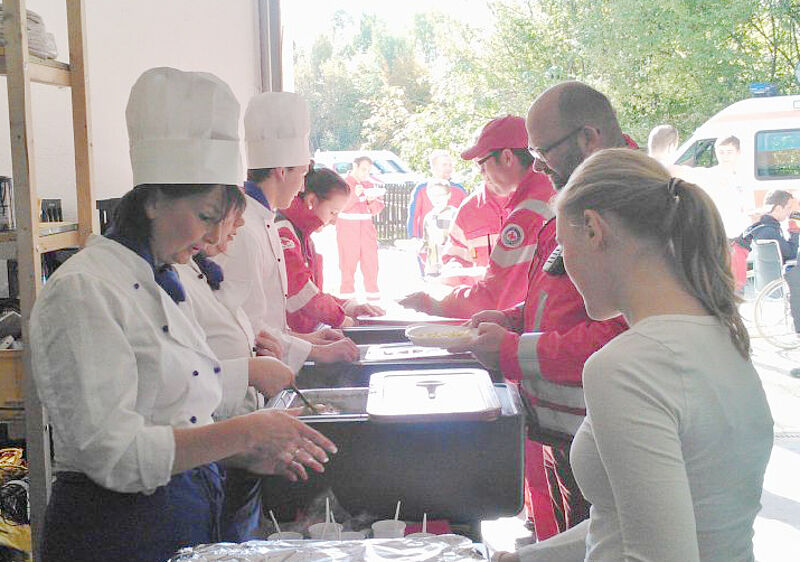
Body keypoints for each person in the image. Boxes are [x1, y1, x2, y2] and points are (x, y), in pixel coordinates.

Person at [30, 67, 336, 562]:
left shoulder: (166, 280)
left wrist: (247, 452)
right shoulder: (84, 290)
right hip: (115, 536)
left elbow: (177, 410)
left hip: (183, 519)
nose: (212, 238)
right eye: (205, 216)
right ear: (152, 201)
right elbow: (113, 454)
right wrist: (246, 431)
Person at [493, 148, 773, 562]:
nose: (566, 270)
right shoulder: (726, 336)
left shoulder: (625, 367)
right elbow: (628, 521)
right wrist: (527, 558)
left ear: (593, 229)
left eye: (564, 250)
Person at [453, 83, 632, 539]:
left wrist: (512, 350)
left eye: (542, 151)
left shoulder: (628, 206)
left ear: (588, 137)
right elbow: (560, 295)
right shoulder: (582, 196)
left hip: (602, 435)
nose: (536, 165)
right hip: (566, 432)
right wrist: (512, 318)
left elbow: (617, 337)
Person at [214, 92, 360, 373]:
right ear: (282, 171)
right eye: (302, 175)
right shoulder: (243, 231)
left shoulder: (265, 220)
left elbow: (270, 324)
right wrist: (316, 350)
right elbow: (248, 328)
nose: (302, 187)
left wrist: (309, 340)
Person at [175, 187, 291, 542]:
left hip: (230, 450)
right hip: (204, 455)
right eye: (227, 218)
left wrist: (259, 354)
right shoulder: (166, 278)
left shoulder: (197, 270)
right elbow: (175, 380)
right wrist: (250, 371)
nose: (235, 228)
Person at [399, 115, 555, 319]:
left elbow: (493, 298)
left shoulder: (528, 213)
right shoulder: (553, 195)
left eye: (482, 165)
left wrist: (431, 303)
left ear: (507, 158)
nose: (482, 174)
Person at [277, 167, 385, 333]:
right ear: (311, 201)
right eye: (333, 212)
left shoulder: (302, 235)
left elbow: (314, 293)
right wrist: (341, 319)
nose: (334, 221)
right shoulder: (284, 233)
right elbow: (300, 293)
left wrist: (348, 307)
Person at [439, 177, 510, 286]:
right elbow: (455, 256)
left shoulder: (533, 203)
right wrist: (455, 271)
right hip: (483, 293)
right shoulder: (468, 210)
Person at [335, 155, 385, 300]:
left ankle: (373, 296)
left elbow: (377, 209)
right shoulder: (342, 184)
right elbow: (340, 207)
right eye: (364, 169)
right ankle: (347, 298)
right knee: (347, 264)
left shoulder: (369, 185)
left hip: (367, 230)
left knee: (371, 263)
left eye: (369, 170)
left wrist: (371, 201)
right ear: (354, 166)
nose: (366, 174)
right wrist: (355, 195)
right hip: (348, 230)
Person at [407, 149, 467, 240]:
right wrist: (413, 237)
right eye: (444, 165)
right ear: (433, 168)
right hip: (428, 240)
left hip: (454, 241)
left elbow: (467, 215)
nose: (448, 168)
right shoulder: (422, 188)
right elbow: (414, 215)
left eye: (450, 165)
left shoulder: (459, 190)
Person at [736, 189, 799, 263]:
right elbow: (792, 254)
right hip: (776, 270)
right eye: (789, 208)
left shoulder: (757, 228)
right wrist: (794, 231)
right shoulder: (769, 231)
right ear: (778, 209)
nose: (790, 212)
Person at [420, 179, 458, 276]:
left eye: (440, 195)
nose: (436, 199)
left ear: (448, 195)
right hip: (432, 267)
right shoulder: (428, 217)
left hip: (450, 265)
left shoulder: (454, 214)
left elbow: (455, 240)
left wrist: (443, 237)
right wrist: (418, 246)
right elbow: (427, 242)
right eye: (433, 195)